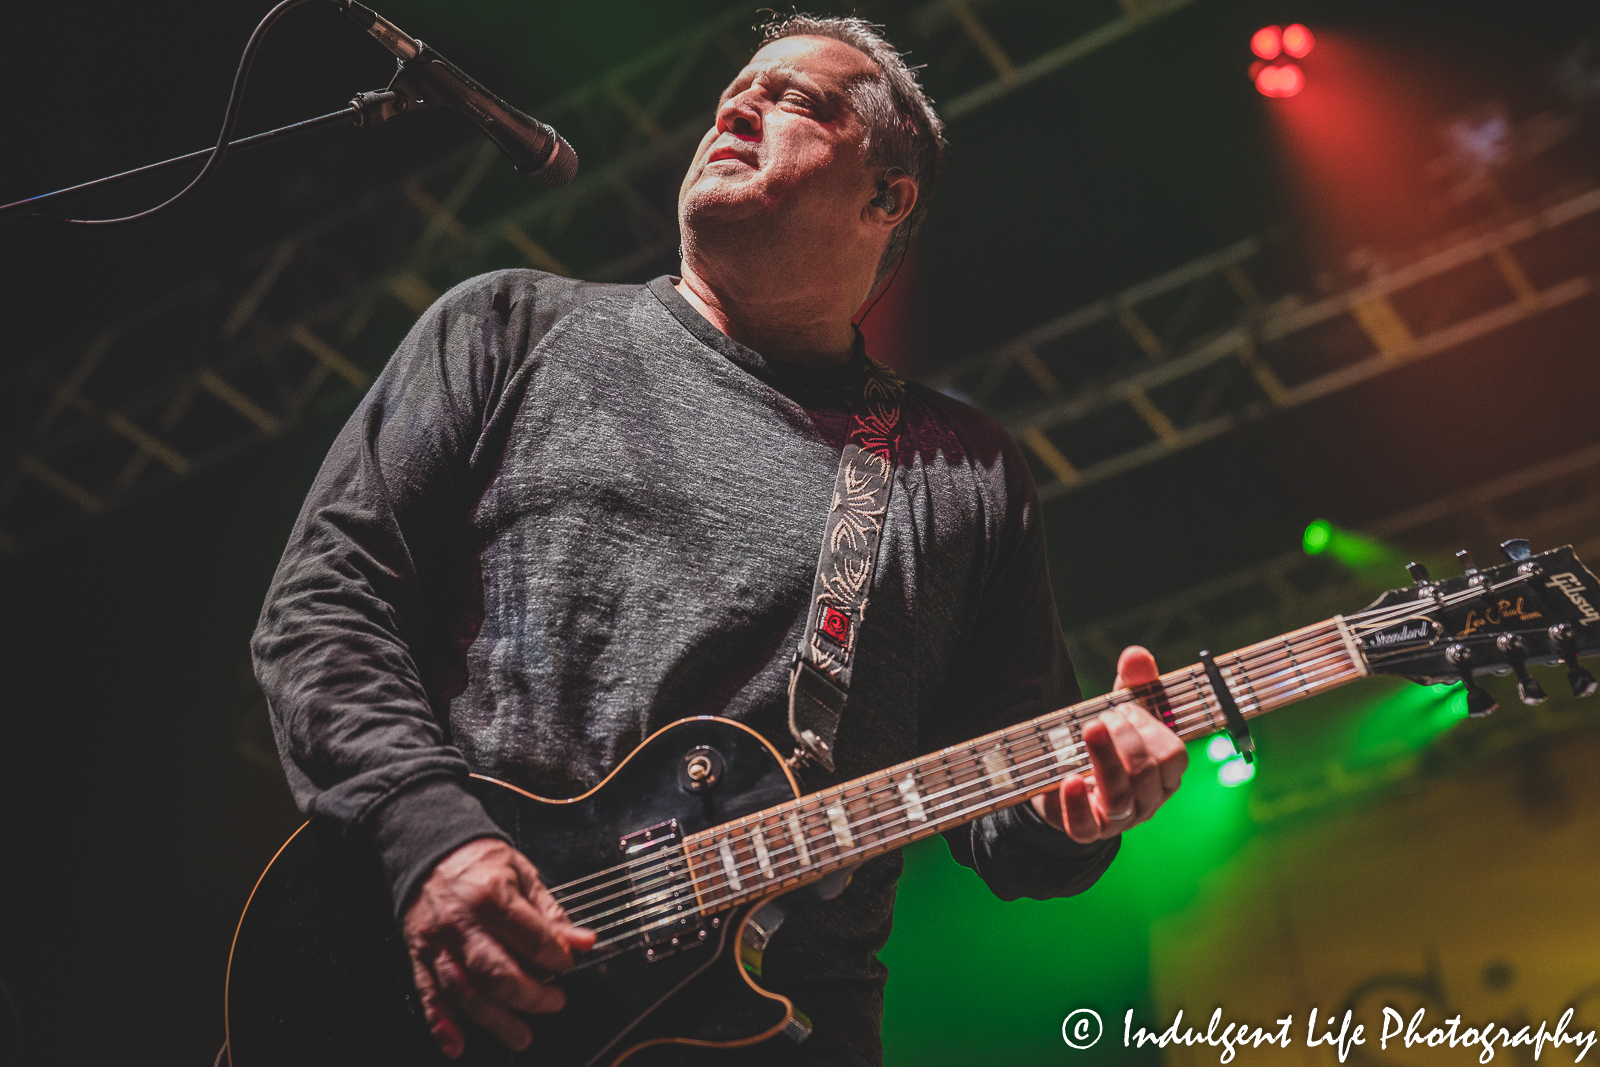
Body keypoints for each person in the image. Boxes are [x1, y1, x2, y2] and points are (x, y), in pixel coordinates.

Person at [251, 13, 1187, 1066]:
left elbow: (1014, 825)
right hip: (444, 997)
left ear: (888, 196)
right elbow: (325, 606)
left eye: (794, 99)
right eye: (733, 93)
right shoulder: (508, 329)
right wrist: (432, 840)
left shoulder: (960, 470)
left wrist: (1086, 805)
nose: (736, 107)